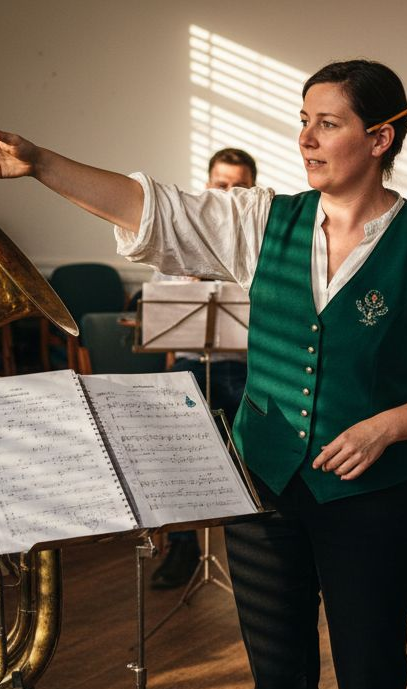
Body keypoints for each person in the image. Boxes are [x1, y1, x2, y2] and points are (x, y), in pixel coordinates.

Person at [0, 59, 407, 689]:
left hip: (371, 504)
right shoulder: (264, 220)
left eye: (327, 123)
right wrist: (41, 164)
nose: (306, 138)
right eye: (304, 121)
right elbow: (153, 209)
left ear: (380, 139)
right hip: (263, 493)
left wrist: (386, 425)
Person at [149, 147, 257, 590]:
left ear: (252, 190)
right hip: (193, 364)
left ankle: (251, 547)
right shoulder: (179, 243)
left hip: (246, 366)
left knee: (253, 459)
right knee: (176, 453)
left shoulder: (260, 245)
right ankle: (184, 546)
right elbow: (160, 317)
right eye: (220, 184)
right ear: (207, 184)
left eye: (238, 187)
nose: (227, 193)